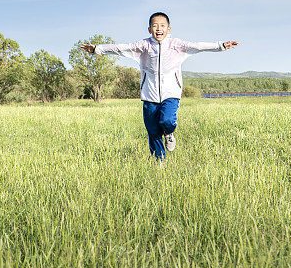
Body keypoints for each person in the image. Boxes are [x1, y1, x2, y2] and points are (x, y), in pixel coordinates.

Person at [80, 12, 238, 160]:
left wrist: (221, 46)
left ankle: (169, 133)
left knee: (167, 120)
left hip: (171, 93)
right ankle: (159, 161)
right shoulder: (144, 45)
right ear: (149, 29)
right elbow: (121, 48)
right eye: (155, 26)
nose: (159, 29)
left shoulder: (177, 44)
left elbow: (197, 46)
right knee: (153, 131)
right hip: (149, 94)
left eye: (162, 26)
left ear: (168, 29)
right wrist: (97, 49)